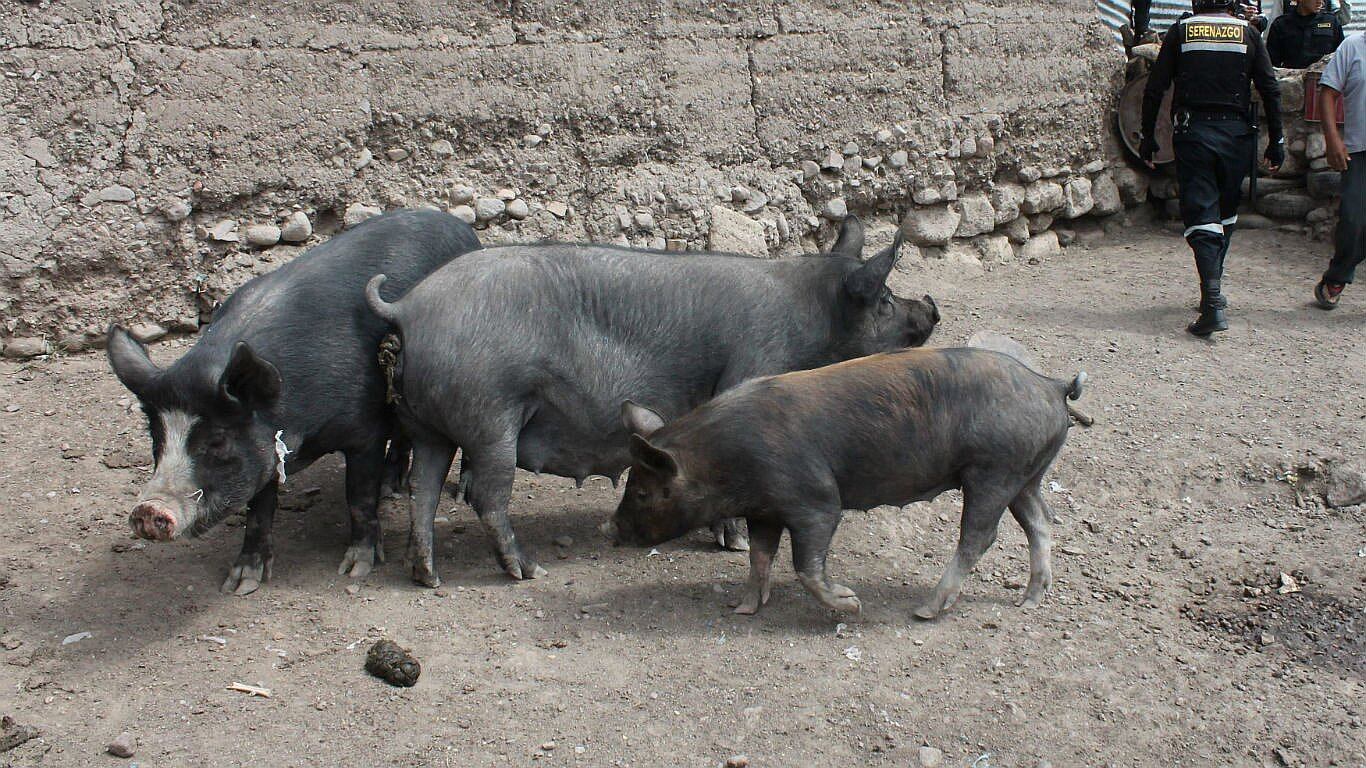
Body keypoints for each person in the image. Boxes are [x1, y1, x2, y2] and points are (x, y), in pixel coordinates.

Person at [1140, 0, 1285, 336]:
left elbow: (1155, 88)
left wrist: (1148, 137)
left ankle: (1212, 301)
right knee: (1225, 210)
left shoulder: (1182, 32)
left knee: (1202, 211)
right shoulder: (1247, 33)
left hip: (1195, 133)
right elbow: (1270, 88)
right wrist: (1276, 140)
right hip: (1237, 136)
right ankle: (1213, 286)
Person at [1313, 30, 1366, 309]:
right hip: (1359, 150)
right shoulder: (1353, 46)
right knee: (1353, 220)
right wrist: (1332, 139)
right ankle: (1338, 274)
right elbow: (1328, 93)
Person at [1267, 0, 1346, 69]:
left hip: (1323, 80)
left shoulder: (1332, 22)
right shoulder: (1281, 24)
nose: (1320, 2)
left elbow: (1341, 58)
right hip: (1291, 81)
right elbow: (1271, 62)